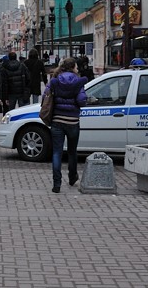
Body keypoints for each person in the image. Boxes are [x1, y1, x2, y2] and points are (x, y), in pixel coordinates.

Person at [45, 57, 89, 193]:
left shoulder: (55, 81)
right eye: (76, 67)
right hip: (72, 121)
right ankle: (72, 177)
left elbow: (45, 96)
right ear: (72, 67)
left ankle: (56, 184)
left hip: (57, 121)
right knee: (72, 152)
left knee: (57, 152)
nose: (77, 69)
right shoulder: (78, 82)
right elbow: (82, 100)